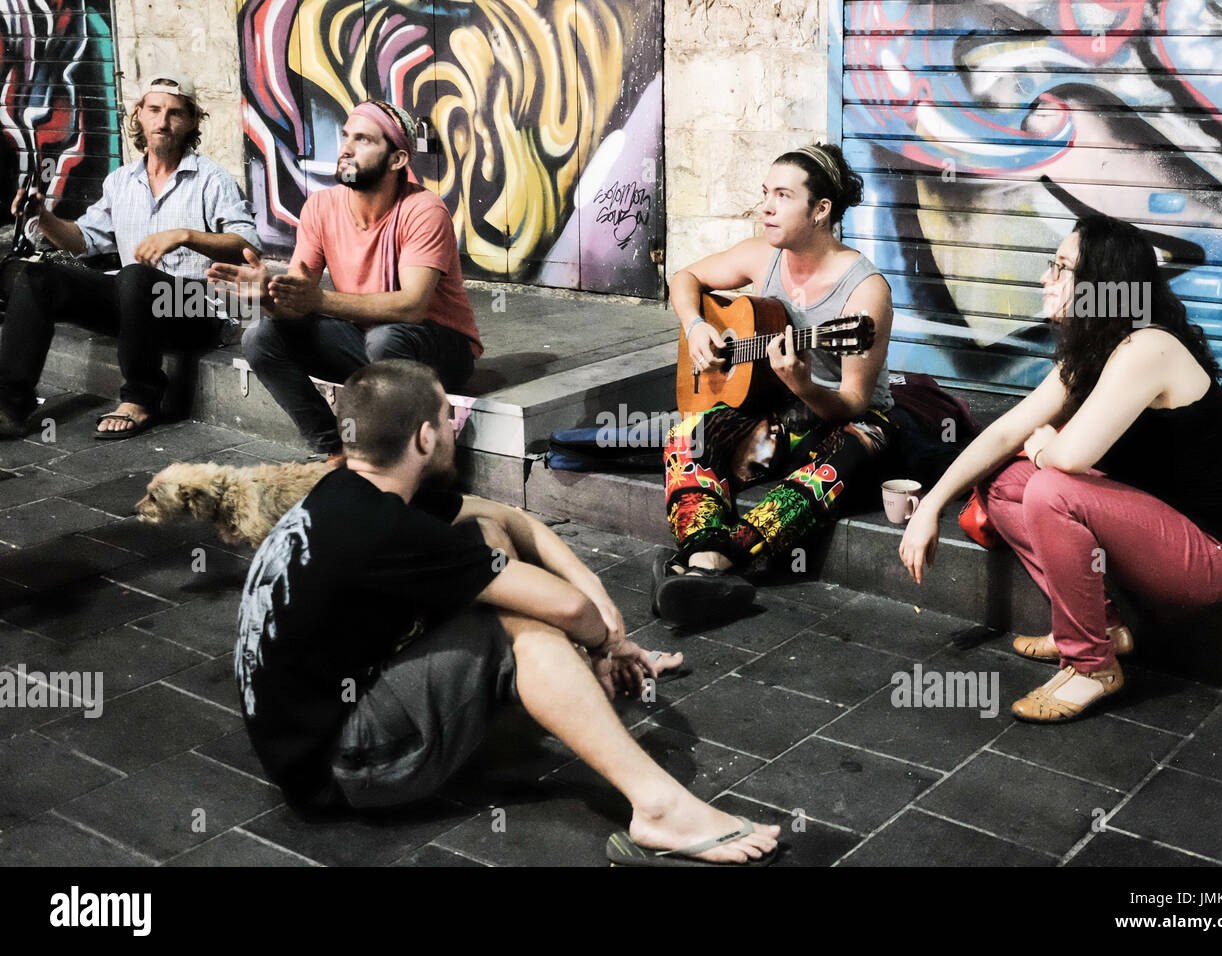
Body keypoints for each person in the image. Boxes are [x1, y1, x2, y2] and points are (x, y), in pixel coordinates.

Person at [236, 358, 780, 865]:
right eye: (448, 418)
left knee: (491, 551)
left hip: (306, 743)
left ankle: (556, 688)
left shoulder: (348, 490)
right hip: (347, 765)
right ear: (425, 438)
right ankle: (659, 807)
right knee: (519, 625)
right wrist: (603, 642)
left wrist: (593, 590)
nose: (454, 428)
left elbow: (506, 517)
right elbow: (566, 607)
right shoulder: (388, 530)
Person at [899, 214, 1222, 722]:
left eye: (1062, 267)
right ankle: (1101, 628)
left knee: (1049, 487)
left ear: (1101, 284)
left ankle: (1092, 667)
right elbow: (1004, 432)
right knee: (1004, 484)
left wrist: (1047, 444)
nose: (1046, 278)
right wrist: (931, 504)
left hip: (1210, 558)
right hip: (1155, 527)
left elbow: (1068, 459)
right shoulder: (1095, 349)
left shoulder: (1149, 346)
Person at [654, 142, 896, 625]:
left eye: (782, 195)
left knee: (837, 459)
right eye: (766, 192)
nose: (765, 205)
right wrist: (695, 326)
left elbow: (853, 401)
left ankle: (717, 558)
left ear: (821, 210)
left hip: (849, 420)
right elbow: (685, 277)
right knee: (685, 434)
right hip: (776, 411)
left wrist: (803, 384)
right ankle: (707, 560)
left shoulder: (865, 291)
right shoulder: (761, 255)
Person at [0, 71, 260, 439]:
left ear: (190, 122)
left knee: (136, 275)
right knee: (37, 277)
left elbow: (247, 243)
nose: (163, 122)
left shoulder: (211, 179)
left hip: (193, 308)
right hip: (135, 305)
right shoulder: (121, 181)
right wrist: (44, 219)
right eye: (154, 110)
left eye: (175, 113)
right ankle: (10, 405)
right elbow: (83, 241)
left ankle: (141, 397)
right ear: (139, 114)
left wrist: (184, 236)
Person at [214, 100, 481, 456]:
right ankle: (334, 450)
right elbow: (299, 296)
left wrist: (319, 301)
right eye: (345, 136)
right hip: (367, 341)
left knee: (386, 339)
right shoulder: (320, 207)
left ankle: (394, 459)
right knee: (261, 336)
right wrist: (269, 296)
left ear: (397, 159)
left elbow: (412, 305)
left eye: (364, 140)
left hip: (437, 349)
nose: (346, 149)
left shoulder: (423, 210)